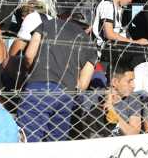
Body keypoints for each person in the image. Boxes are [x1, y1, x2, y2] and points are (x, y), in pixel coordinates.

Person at [17, 9, 98, 142]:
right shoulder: (89, 44)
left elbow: (29, 55)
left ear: (66, 17)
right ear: (89, 28)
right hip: (66, 96)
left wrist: (32, 72)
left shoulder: (48, 24)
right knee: (56, 145)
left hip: (39, 88)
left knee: (28, 141)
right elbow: (82, 85)